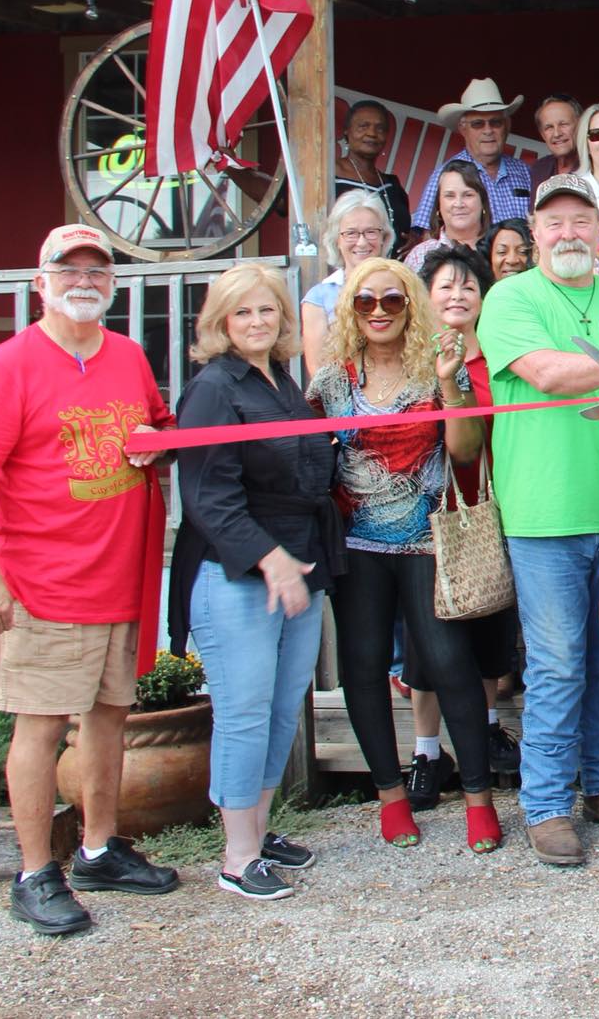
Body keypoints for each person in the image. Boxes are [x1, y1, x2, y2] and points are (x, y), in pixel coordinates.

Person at [0, 224, 176, 935]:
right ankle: (33, 872)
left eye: (96, 269)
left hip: (119, 578)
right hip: (41, 585)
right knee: (40, 728)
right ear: (38, 281)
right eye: (67, 268)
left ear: (112, 282)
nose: (83, 280)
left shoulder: (129, 356)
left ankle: (99, 848)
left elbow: (154, 437)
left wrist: (155, 453)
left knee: (108, 719)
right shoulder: (8, 365)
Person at [477, 172, 599, 866]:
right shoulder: (510, 298)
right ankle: (548, 804)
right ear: (534, 235)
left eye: (580, 220)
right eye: (552, 222)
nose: (567, 233)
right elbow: (551, 375)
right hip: (543, 516)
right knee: (557, 666)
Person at [310, 258, 500, 854]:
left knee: (449, 665)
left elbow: (467, 452)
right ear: (350, 310)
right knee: (362, 667)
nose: (379, 312)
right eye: (365, 302)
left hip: (428, 542)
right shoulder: (330, 382)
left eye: (392, 300)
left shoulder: (436, 368)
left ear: (410, 305)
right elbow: (312, 463)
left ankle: (478, 800)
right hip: (356, 547)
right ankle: (391, 798)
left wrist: (449, 385)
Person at [172, 263, 337, 900]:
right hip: (238, 574)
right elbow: (208, 497)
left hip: (299, 567)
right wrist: (270, 560)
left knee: (278, 711)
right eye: (242, 312)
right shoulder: (214, 387)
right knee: (243, 715)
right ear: (220, 322)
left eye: (267, 310)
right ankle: (237, 859)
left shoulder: (281, 380)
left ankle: (259, 830)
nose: (257, 322)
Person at [399, 245, 524, 809]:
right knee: (432, 640)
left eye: (468, 286)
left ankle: (488, 726)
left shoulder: (498, 354)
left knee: (488, 620)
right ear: (426, 298)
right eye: (445, 287)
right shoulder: (412, 358)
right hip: (428, 514)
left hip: (495, 501)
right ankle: (427, 751)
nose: (457, 295)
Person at [412, 78, 533, 231]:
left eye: (496, 122)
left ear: (507, 126)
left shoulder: (525, 172)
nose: (488, 130)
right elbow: (427, 233)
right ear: (463, 129)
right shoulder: (445, 174)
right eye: (478, 124)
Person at [301, 189, 392, 373]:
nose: (362, 242)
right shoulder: (318, 298)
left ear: (384, 237)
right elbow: (318, 371)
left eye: (371, 232)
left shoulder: (404, 287)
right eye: (351, 233)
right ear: (337, 240)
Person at [335, 99, 413, 253]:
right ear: (347, 131)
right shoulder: (328, 176)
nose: (372, 133)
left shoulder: (392, 185)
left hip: (388, 272)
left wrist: (412, 241)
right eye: (363, 126)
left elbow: (404, 230)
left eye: (380, 128)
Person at [403, 158, 492, 275]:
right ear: (438, 205)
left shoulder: (498, 251)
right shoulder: (420, 255)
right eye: (450, 196)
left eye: (468, 195)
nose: (459, 204)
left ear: (483, 203)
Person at [527, 94, 584, 189]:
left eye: (563, 124)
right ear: (542, 134)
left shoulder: (598, 169)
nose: (557, 134)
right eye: (549, 127)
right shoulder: (538, 170)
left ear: (581, 125)